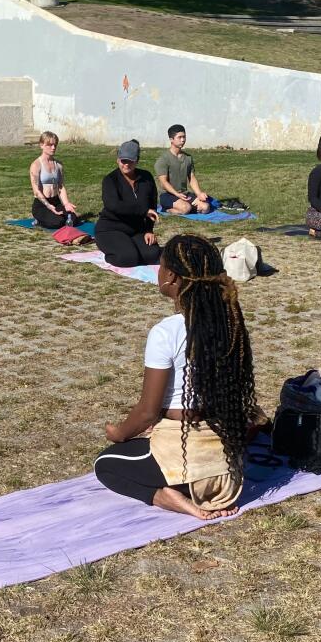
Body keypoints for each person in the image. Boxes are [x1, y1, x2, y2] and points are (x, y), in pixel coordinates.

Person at [95, 234, 259, 519]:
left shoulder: (167, 332)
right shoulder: (230, 321)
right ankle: (184, 489)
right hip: (223, 469)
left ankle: (164, 496)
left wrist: (119, 433)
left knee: (105, 464)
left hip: (183, 460)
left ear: (170, 276)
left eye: (160, 266)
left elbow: (147, 412)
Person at [94, 139, 161, 266]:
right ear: (118, 160)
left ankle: (129, 245)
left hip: (136, 230)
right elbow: (113, 205)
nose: (126, 164)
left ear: (137, 160)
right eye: (123, 160)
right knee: (128, 258)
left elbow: (152, 205)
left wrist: (148, 230)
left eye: (130, 161)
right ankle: (110, 249)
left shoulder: (146, 178)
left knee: (152, 255)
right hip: (111, 229)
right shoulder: (110, 180)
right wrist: (143, 211)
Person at [156, 124, 211, 215]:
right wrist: (177, 195)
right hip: (167, 195)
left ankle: (188, 207)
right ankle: (167, 210)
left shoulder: (188, 158)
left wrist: (199, 193)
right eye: (179, 137)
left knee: (206, 207)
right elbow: (164, 183)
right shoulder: (163, 160)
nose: (183, 140)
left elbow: (192, 178)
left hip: (184, 194)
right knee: (186, 208)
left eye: (184, 137)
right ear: (171, 139)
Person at [29, 131, 79, 229]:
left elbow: (60, 186)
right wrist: (48, 206)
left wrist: (66, 204)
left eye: (55, 145)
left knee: (73, 219)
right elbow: (36, 190)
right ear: (41, 145)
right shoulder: (36, 165)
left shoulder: (58, 165)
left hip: (55, 201)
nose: (53, 147)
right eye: (50, 145)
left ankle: (53, 216)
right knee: (57, 222)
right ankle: (39, 220)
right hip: (42, 204)